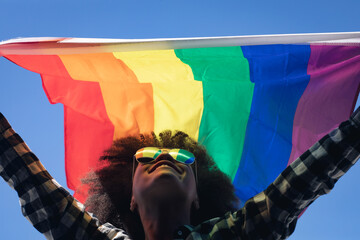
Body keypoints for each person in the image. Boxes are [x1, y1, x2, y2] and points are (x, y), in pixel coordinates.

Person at [0, 106, 360, 240]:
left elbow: (299, 184)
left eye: (182, 157)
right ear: (129, 197)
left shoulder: (233, 236)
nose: (166, 158)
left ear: (198, 195)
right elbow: (32, 183)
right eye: (148, 156)